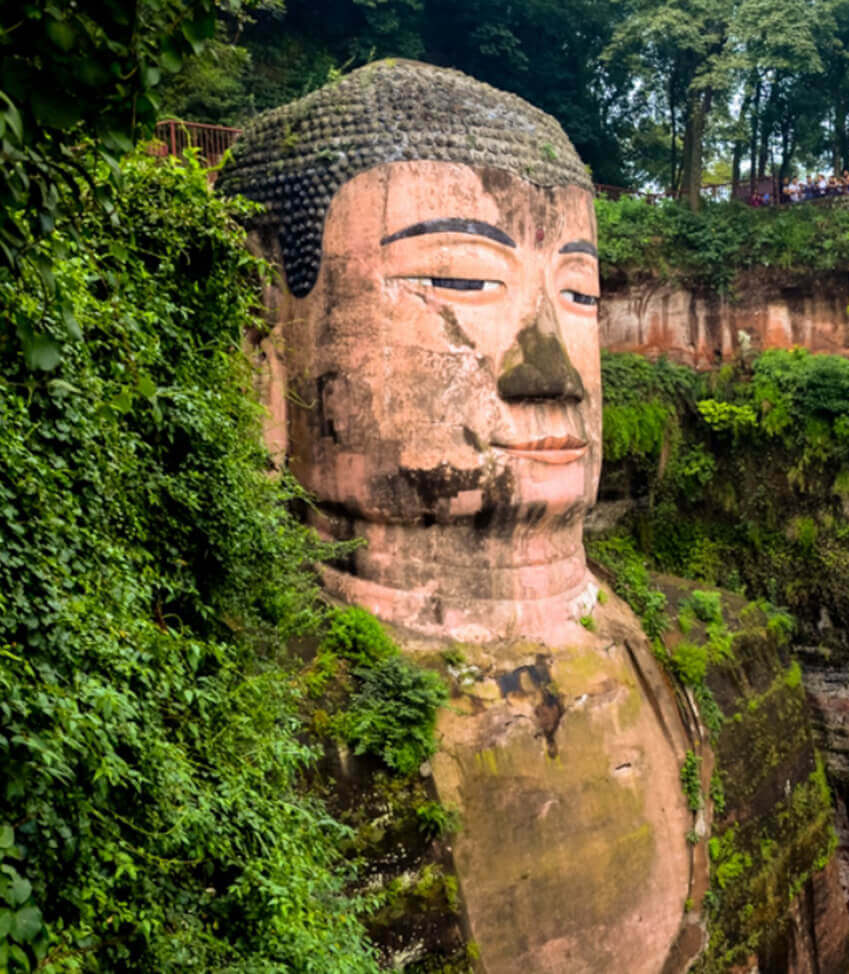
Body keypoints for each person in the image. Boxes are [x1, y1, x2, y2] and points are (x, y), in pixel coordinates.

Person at [220, 58, 694, 971]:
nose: (551, 373)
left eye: (580, 294)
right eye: (463, 281)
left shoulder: (689, 652)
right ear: (264, 341)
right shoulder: (259, 738)